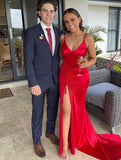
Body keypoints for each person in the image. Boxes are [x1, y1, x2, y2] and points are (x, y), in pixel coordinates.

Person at [58, 8, 121, 160]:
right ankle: (64, 146)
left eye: (72, 19)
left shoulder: (88, 38)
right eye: (66, 21)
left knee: (78, 109)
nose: (70, 23)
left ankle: (77, 135)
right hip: (65, 76)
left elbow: (93, 59)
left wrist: (85, 64)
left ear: (79, 19)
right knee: (66, 110)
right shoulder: (63, 38)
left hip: (81, 78)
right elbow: (62, 57)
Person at [24, 0, 62, 158]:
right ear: (39, 12)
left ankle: (50, 132)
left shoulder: (60, 33)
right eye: (45, 11)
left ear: (54, 13)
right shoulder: (31, 32)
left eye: (51, 11)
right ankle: (36, 140)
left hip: (55, 79)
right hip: (39, 81)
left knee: (53, 108)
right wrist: (33, 83)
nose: (49, 14)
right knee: (37, 111)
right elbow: (28, 61)